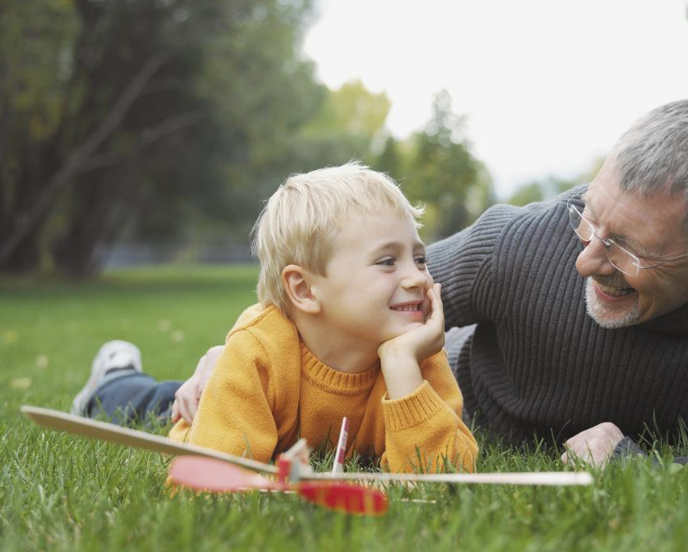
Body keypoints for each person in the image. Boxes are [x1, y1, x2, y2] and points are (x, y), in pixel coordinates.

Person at [176, 100, 688, 468]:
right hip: (413, 390)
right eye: (589, 217)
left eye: (627, 248)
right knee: (204, 402)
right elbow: (342, 292)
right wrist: (233, 351)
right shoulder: (521, 242)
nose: (586, 260)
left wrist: (637, 465)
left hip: (425, 420)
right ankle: (120, 382)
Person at [71, 162, 478, 474]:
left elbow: (447, 477)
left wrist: (403, 368)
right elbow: (208, 482)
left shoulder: (416, 353)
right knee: (156, 406)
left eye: (420, 258)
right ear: (304, 289)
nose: (417, 277)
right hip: (210, 414)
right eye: (388, 261)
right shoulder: (260, 353)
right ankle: (114, 379)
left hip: (260, 412)